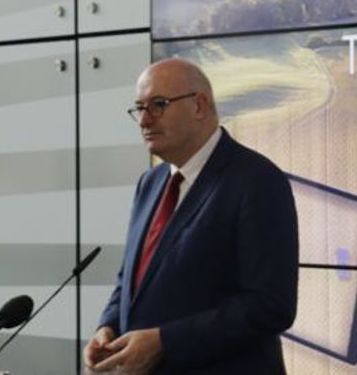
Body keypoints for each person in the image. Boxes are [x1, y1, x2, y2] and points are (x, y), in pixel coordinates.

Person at [83, 58, 298, 374]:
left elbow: (269, 306)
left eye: (158, 105)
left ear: (199, 105)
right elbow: (131, 280)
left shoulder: (257, 180)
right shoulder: (151, 182)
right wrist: (109, 326)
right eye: (139, 108)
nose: (144, 120)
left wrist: (164, 342)